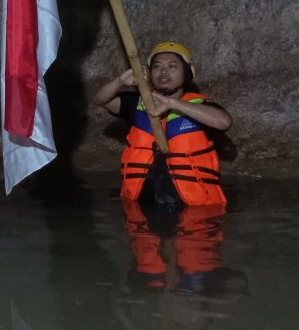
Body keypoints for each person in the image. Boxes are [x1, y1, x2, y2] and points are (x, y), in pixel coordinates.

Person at [94, 42, 232, 207]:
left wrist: (172, 104)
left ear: (186, 73)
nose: (163, 71)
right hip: (141, 208)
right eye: (157, 67)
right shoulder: (140, 104)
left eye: (172, 66)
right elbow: (101, 99)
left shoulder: (199, 107)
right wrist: (120, 80)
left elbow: (224, 122)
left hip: (192, 211)